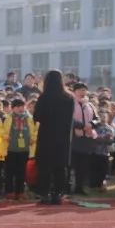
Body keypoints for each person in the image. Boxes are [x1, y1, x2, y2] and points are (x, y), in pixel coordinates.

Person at [33, 71, 74, 205]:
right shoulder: (69, 98)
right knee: (59, 167)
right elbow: (70, 119)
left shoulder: (44, 98)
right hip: (62, 136)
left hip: (46, 135)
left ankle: (44, 193)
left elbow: (37, 116)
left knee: (45, 166)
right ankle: (58, 194)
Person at [1, 98, 36, 200]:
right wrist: (5, 136)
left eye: (22, 106)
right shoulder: (6, 118)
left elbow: (34, 130)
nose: (20, 109)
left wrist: (33, 138)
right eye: (18, 107)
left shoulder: (29, 118)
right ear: (12, 108)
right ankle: (9, 191)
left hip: (24, 149)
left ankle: (20, 192)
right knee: (10, 172)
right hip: (10, 149)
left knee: (21, 172)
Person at [69, 83, 98, 195]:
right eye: (81, 90)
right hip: (74, 138)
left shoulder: (90, 105)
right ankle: (68, 187)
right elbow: (67, 119)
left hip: (87, 138)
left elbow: (97, 118)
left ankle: (79, 188)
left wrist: (91, 124)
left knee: (83, 166)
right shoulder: (70, 103)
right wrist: (80, 126)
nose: (83, 92)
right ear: (75, 91)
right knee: (72, 165)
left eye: (85, 90)